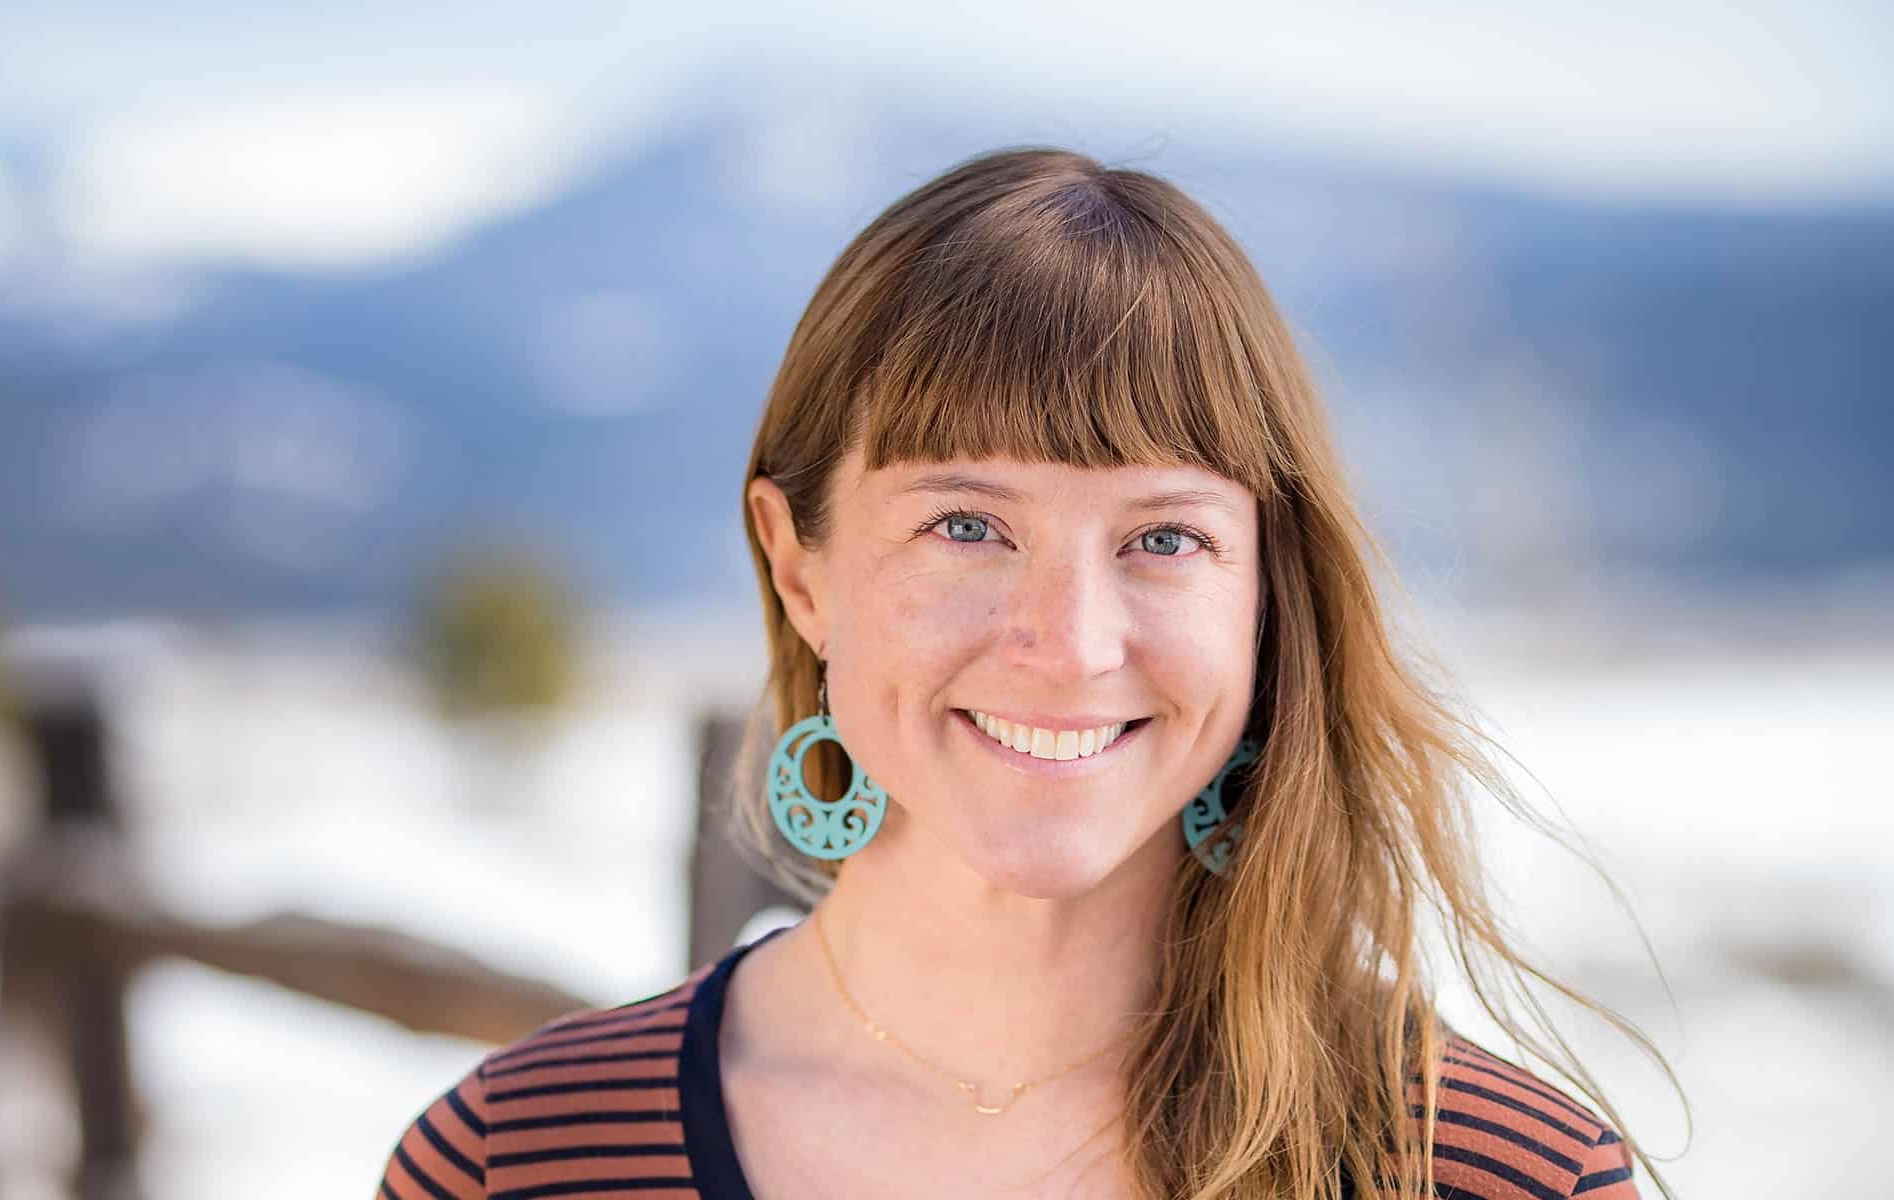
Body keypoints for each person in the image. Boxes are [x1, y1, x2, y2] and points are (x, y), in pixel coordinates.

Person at [376, 147, 1673, 1199]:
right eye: (967, 526)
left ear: (1268, 597)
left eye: (1164, 538)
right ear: (798, 566)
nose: (1071, 641)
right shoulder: (517, 1162)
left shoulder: (1494, 1179)